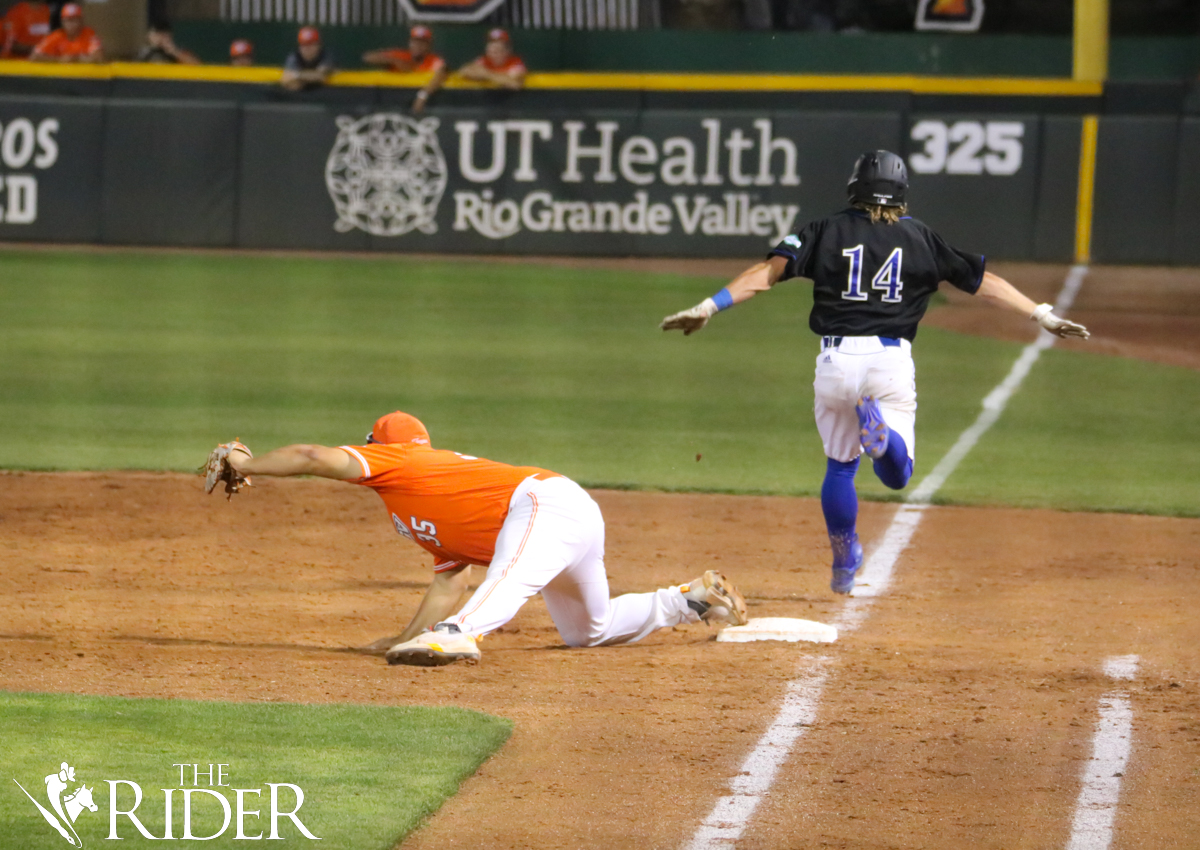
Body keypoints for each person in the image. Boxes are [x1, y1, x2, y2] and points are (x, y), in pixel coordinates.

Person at [660, 150, 1090, 596]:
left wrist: (709, 306)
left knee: (840, 467)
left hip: (835, 362)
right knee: (898, 474)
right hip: (889, 362)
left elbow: (765, 275)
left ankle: (845, 557)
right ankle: (882, 441)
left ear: (854, 186)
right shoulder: (921, 238)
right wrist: (1041, 313)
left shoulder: (823, 230)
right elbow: (985, 283)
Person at [205, 410, 748, 667]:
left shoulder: (398, 460)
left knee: (507, 579)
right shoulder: (422, 500)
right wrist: (399, 639)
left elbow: (308, 457)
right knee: (589, 630)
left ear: (378, 445)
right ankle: (689, 601)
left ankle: (458, 635)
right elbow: (448, 582)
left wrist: (243, 460)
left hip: (542, 504)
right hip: (561, 515)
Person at [362, 25, 447, 114]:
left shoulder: (433, 60)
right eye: (415, 42)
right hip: (392, 104)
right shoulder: (401, 56)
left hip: (419, 105)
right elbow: (367, 57)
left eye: (422, 43)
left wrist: (422, 96)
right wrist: (394, 61)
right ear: (409, 43)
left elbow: (442, 72)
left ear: (429, 45)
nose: (418, 46)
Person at [30, 2, 101, 63]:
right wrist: (60, 60)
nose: (71, 24)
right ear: (62, 22)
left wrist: (76, 59)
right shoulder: (57, 35)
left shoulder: (89, 33)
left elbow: (99, 57)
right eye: (68, 20)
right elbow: (34, 56)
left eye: (74, 20)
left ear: (81, 21)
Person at [458, 28, 525, 91]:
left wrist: (486, 74)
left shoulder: (515, 63)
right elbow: (464, 71)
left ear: (507, 50)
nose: (493, 54)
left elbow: (515, 84)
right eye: (490, 51)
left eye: (497, 50)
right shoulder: (484, 60)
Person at [281, 26, 333, 91]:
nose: (307, 48)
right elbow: (286, 80)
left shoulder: (325, 55)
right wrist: (308, 78)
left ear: (318, 45)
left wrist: (296, 75)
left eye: (311, 44)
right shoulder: (295, 57)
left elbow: (320, 76)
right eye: (304, 44)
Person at [135, 22, 199, 64]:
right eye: (157, 34)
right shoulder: (142, 53)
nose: (160, 37)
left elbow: (197, 66)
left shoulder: (178, 53)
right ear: (148, 35)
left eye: (164, 34)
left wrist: (174, 52)